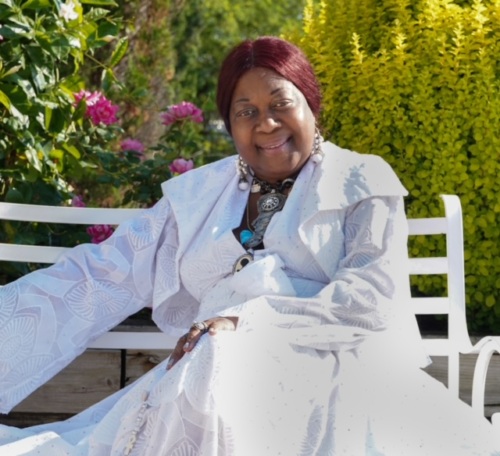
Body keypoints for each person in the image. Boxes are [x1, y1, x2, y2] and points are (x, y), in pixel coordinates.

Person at [0, 36, 498, 455]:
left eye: (282, 104)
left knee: (221, 353)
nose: (266, 123)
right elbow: (101, 273)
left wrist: (247, 323)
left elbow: (369, 300)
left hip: (331, 373)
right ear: (229, 123)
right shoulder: (200, 195)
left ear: (311, 104)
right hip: (208, 371)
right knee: (214, 357)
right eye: (247, 112)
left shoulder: (360, 182)